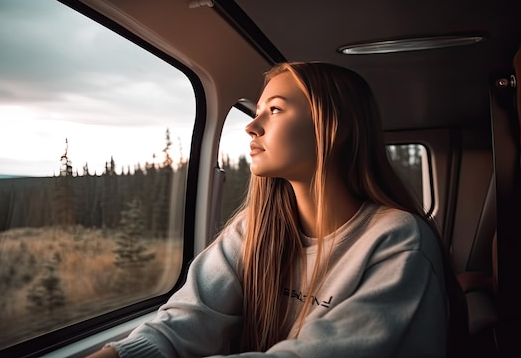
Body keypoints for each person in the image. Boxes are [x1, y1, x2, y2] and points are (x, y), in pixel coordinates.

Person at [87, 62, 464, 358]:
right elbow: (187, 321)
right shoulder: (255, 228)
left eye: (275, 109)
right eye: (257, 111)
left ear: (334, 127)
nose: (252, 126)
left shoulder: (397, 239)